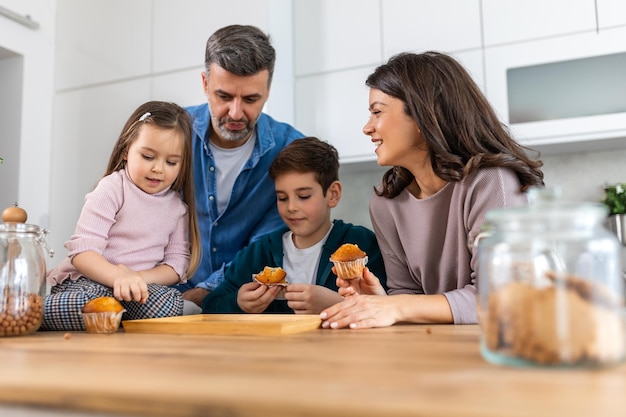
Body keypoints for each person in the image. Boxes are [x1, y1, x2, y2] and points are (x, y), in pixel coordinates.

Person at [320, 51, 544, 329]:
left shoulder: (491, 182)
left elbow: (504, 298)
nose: (368, 127)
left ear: (424, 114)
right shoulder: (386, 203)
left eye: (377, 111)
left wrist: (396, 306)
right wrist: (382, 302)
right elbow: (409, 296)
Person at [42, 101, 201, 331]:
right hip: (88, 282)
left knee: (164, 303)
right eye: (148, 157)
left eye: (171, 162)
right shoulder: (112, 188)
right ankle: (31, 309)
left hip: (135, 288)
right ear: (127, 151)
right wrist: (118, 277)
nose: (158, 168)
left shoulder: (177, 208)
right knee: (92, 303)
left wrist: (135, 279)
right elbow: (83, 253)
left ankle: (115, 317)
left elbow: (175, 266)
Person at [178, 24, 305, 314]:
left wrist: (204, 295)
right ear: (205, 84)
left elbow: (266, 244)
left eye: (250, 99)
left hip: (240, 303)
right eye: (224, 96)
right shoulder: (171, 133)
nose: (236, 113)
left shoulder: (291, 151)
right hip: (160, 297)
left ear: (268, 91)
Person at [202, 137, 386, 314]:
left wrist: (336, 303)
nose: (291, 207)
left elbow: (388, 303)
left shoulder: (360, 245)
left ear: (333, 194)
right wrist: (239, 303)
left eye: (304, 196)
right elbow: (211, 304)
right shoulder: (259, 252)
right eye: (282, 198)